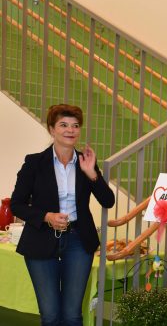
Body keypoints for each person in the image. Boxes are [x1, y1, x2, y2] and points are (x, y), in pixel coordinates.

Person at [10, 104, 115, 326]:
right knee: (50, 315)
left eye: (75, 125)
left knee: (72, 315)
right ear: (51, 129)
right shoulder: (34, 163)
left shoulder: (86, 162)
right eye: (63, 125)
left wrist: (92, 173)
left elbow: (108, 201)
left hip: (78, 240)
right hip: (40, 239)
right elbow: (17, 205)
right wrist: (46, 216)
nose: (70, 130)